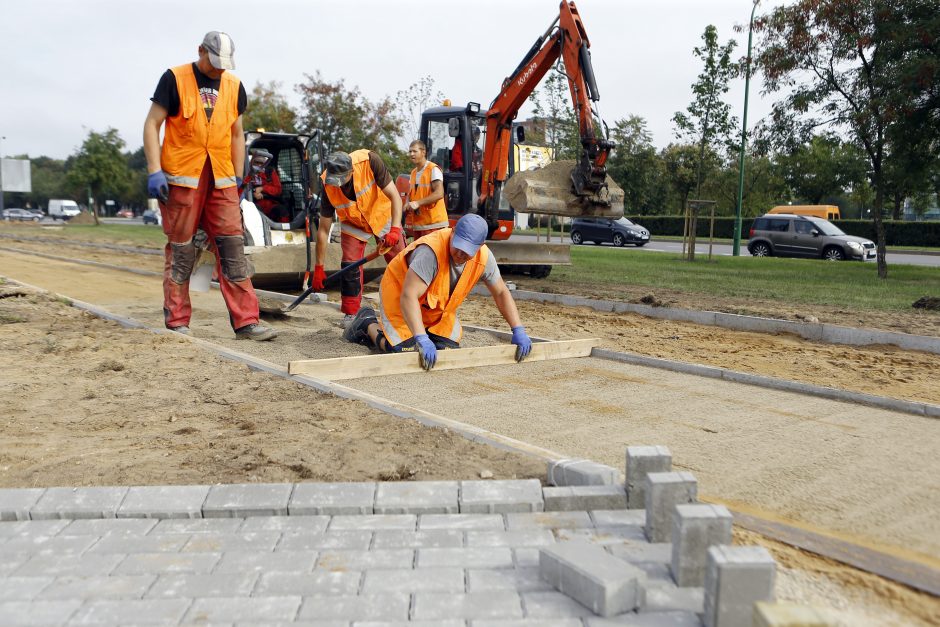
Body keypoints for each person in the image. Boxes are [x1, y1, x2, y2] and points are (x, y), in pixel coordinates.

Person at [143, 31, 276, 341]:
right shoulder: (174, 79)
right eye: (214, 62)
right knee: (182, 251)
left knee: (233, 249)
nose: (219, 70)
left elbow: (235, 134)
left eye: (223, 65)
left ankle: (247, 321)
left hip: (221, 177)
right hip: (182, 178)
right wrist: (154, 170)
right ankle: (177, 321)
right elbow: (152, 124)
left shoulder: (234, 86)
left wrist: (238, 177)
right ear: (200, 51)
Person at [342, 213, 532, 370]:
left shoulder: (485, 257)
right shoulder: (430, 252)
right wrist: (421, 338)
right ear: (453, 232)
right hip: (400, 294)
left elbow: (500, 292)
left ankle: (419, 330)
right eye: (457, 246)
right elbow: (409, 296)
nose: (459, 254)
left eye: (467, 251)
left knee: (446, 349)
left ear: (481, 246)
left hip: (434, 307)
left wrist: (518, 329)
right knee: (403, 351)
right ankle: (366, 324)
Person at [314, 149, 405, 317]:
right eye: (335, 180)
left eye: (342, 179)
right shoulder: (327, 183)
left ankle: (411, 305)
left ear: (351, 171)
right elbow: (323, 230)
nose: (338, 184)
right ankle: (351, 314)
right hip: (353, 222)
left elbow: (395, 197)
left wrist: (395, 229)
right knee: (350, 267)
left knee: (401, 261)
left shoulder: (370, 161)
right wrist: (319, 267)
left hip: (381, 215)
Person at [405, 140, 448, 238]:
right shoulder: (413, 173)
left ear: (423, 152)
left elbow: (439, 193)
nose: (411, 154)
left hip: (434, 225)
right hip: (420, 226)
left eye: (415, 151)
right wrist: (406, 205)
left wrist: (418, 203)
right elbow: (412, 195)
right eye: (410, 151)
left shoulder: (433, 169)